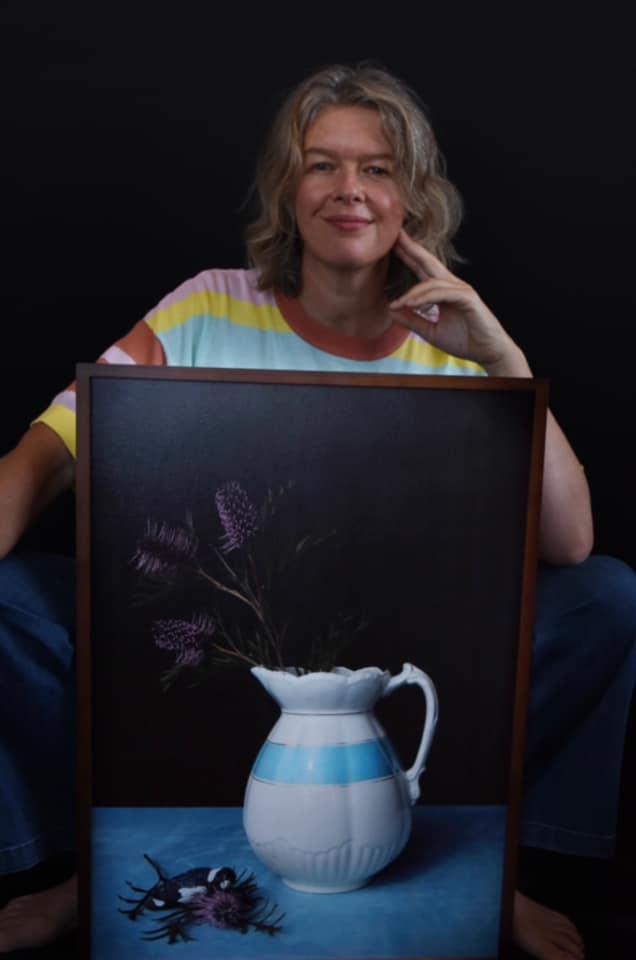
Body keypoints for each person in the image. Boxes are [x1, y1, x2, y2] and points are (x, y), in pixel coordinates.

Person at [0, 61, 634, 960]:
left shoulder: (455, 345)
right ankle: (83, 881)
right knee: (12, 600)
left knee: (608, 598)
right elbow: (51, 451)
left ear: (413, 195)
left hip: (403, 656)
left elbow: (571, 543)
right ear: (286, 188)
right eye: (322, 164)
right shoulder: (206, 304)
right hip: (206, 643)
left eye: (377, 168)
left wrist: (504, 362)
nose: (349, 189)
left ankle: (494, 870)